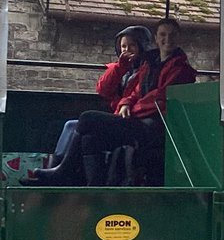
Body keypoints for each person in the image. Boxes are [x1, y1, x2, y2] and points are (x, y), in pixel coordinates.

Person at [25, 18, 196, 187]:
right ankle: (94, 187)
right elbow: (131, 91)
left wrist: (131, 110)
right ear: (157, 38)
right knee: (90, 138)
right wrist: (126, 103)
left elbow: (161, 97)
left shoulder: (181, 69)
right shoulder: (150, 63)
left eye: (172, 35)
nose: (167, 39)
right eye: (163, 35)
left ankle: (62, 172)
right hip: (135, 118)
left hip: (155, 125)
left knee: (87, 118)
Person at [48, 24, 154, 167]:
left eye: (132, 45)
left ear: (142, 46)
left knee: (85, 120)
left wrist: (125, 104)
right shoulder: (121, 68)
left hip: (129, 117)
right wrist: (120, 67)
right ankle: (57, 166)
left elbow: (139, 94)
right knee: (72, 127)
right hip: (117, 114)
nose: (127, 50)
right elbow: (103, 90)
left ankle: (61, 169)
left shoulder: (148, 70)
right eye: (123, 47)